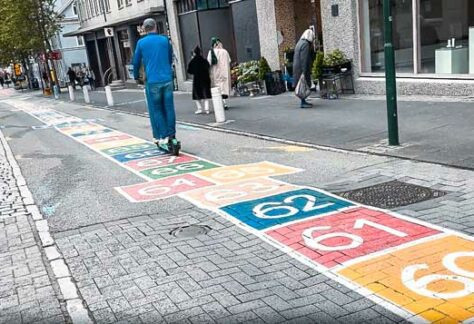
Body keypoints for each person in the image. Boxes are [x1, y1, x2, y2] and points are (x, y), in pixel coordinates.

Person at [132, 18, 179, 152]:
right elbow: (170, 58)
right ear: (155, 27)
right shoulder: (164, 40)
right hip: (167, 79)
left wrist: (137, 77)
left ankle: (163, 136)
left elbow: (136, 62)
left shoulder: (141, 43)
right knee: (169, 108)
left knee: (157, 109)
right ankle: (172, 135)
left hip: (153, 81)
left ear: (145, 29)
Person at [293, 29, 315, 108]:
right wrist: (305, 71)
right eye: (313, 37)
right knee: (303, 84)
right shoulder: (305, 44)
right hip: (302, 68)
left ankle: (303, 101)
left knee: (301, 84)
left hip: (297, 67)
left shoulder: (299, 42)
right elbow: (304, 59)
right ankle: (303, 102)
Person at [207, 37, 231, 109]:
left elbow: (209, 62)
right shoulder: (225, 51)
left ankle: (221, 103)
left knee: (217, 89)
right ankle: (224, 103)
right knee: (223, 89)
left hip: (215, 73)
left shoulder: (211, 52)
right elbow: (229, 61)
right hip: (224, 73)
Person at [187, 46, 212, 114]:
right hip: (205, 79)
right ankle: (207, 109)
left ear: (194, 53)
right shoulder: (204, 60)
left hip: (197, 80)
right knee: (205, 95)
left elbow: (189, 71)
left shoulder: (193, 61)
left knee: (197, 96)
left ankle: (199, 108)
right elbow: (208, 67)